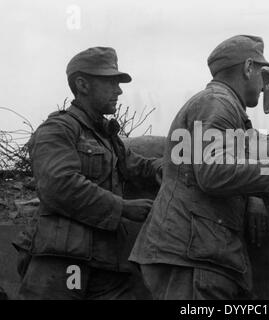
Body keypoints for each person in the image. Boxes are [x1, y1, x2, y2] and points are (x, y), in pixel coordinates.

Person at [129, 35, 269, 300]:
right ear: (248, 68)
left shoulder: (222, 106)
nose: (265, 85)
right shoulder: (217, 104)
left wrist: (256, 196)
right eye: (263, 73)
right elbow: (214, 172)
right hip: (192, 256)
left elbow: (245, 155)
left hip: (198, 253)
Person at [17, 47, 161, 300]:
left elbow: (135, 165)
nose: (119, 91)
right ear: (82, 84)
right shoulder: (58, 129)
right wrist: (123, 208)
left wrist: (165, 166)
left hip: (106, 262)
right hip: (63, 260)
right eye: (110, 83)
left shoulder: (105, 135)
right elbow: (59, 185)